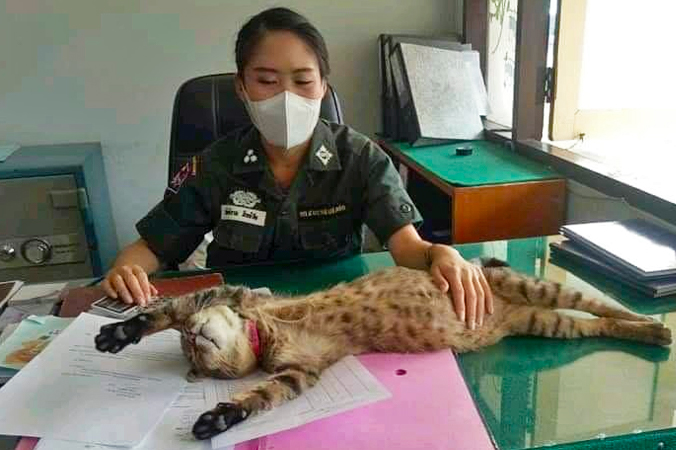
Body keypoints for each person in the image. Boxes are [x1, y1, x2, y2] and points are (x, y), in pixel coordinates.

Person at [101, 7, 493, 330]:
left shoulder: (360, 157)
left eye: (303, 81)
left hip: (332, 319)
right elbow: (153, 246)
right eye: (267, 81)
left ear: (323, 85)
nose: (286, 97)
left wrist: (441, 254)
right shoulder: (217, 163)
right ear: (241, 87)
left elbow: (407, 247)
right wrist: (126, 271)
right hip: (232, 324)